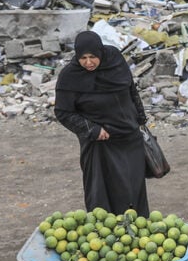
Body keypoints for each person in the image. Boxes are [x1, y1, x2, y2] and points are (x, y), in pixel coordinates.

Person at [55, 30, 150, 216]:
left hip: (129, 138)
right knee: (101, 192)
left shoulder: (114, 59)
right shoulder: (70, 76)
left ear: (100, 52)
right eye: (83, 58)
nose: (88, 62)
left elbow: (131, 89)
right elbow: (63, 112)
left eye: (92, 57)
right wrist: (92, 129)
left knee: (132, 188)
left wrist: (140, 118)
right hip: (99, 144)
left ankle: (137, 236)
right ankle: (104, 235)